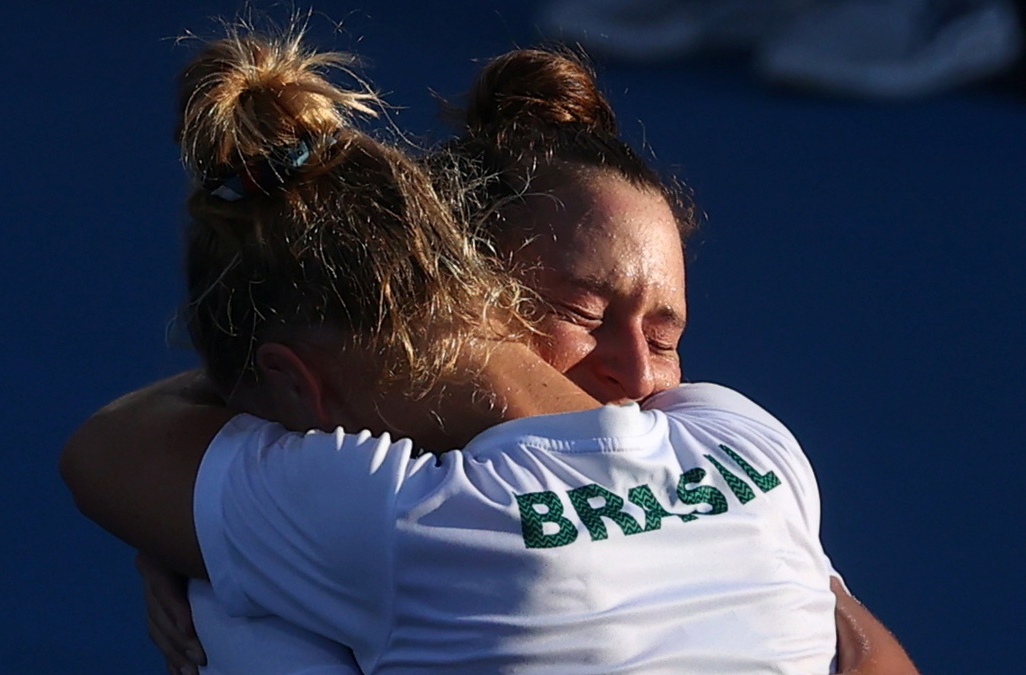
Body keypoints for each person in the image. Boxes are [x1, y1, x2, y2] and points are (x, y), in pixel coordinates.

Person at [62, 26, 915, 674]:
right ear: (483, 292)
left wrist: (193, 541)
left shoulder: (388, 514)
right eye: (579, 312)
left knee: (232, 607)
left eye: (666, 335)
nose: (635, 372)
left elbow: (110, 453)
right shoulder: (745, 440)